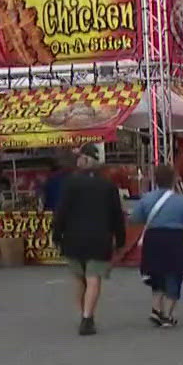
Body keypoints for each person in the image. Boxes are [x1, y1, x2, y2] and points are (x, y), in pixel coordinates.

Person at [50, 143, 127, 336]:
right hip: (100, 238)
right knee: (94, 278)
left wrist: (56, 234)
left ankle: (83, 314)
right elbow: (117, 215)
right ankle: (87, 316)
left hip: (73, 238)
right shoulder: (108, 186)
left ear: (82, 161)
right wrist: (121, 239)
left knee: (79, 278)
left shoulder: (70, 184)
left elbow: (62, 212)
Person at [130, 164, 183, 327]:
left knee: (156, 273)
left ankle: (156, 309)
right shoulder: (182, 201)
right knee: (174, 275)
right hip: (175, 239)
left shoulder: (147, 198)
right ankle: (167, 315)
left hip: (153, 239)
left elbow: (134, 218)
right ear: (173, 181)